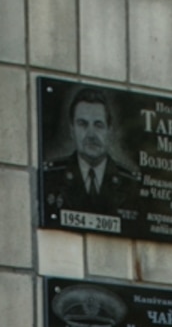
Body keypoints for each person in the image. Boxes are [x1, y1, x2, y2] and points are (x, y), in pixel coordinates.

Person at [40, 88, 143, 231]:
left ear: (110, 130)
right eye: (82, 124)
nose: (91, 134)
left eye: (98, 125)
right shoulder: (50, 178)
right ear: (72, 130)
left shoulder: (131, 185)